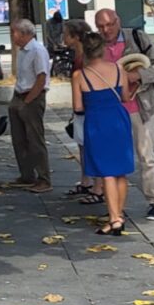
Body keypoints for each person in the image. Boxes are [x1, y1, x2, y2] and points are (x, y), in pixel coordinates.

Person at [95, 8, 154, 221]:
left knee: (146, 156)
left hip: (136, 107)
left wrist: (139, 75)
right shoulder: (96, 44)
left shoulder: (136, 38)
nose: (105, 30)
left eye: (109, 25)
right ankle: (116, 207)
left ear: (118, 21)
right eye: (100, 26)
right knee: (113, 159)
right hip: (109, 110)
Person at [72, 32, 135, 235]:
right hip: (119, 120)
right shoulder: (119, 69)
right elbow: (125, 97)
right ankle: (119, 215)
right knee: (120, 170)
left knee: (106, 171)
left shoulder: (79, 76)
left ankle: (114, 218)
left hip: (97, 122)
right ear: (103, 48)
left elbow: (78, 107)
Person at [61, 20, 105, 206]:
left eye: (66, 34)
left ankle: (97, 187)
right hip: (86, 108)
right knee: (82, 145)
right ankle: (87, 181)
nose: (63, 37)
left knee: (90, 147)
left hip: (87, 108)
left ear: (76, 37)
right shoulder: (79, 56)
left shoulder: (83, 59)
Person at [8, 18, 52, 193]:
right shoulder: (22, 51)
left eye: (14, 32)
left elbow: (41, 78)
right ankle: (26, 175)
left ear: (24, 33)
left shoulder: (37, 50)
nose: (12, 36)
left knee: (35, 139)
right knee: (19, 138)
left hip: (32, 97)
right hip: (19, 94)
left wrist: (28, 101)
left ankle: (44, 178)